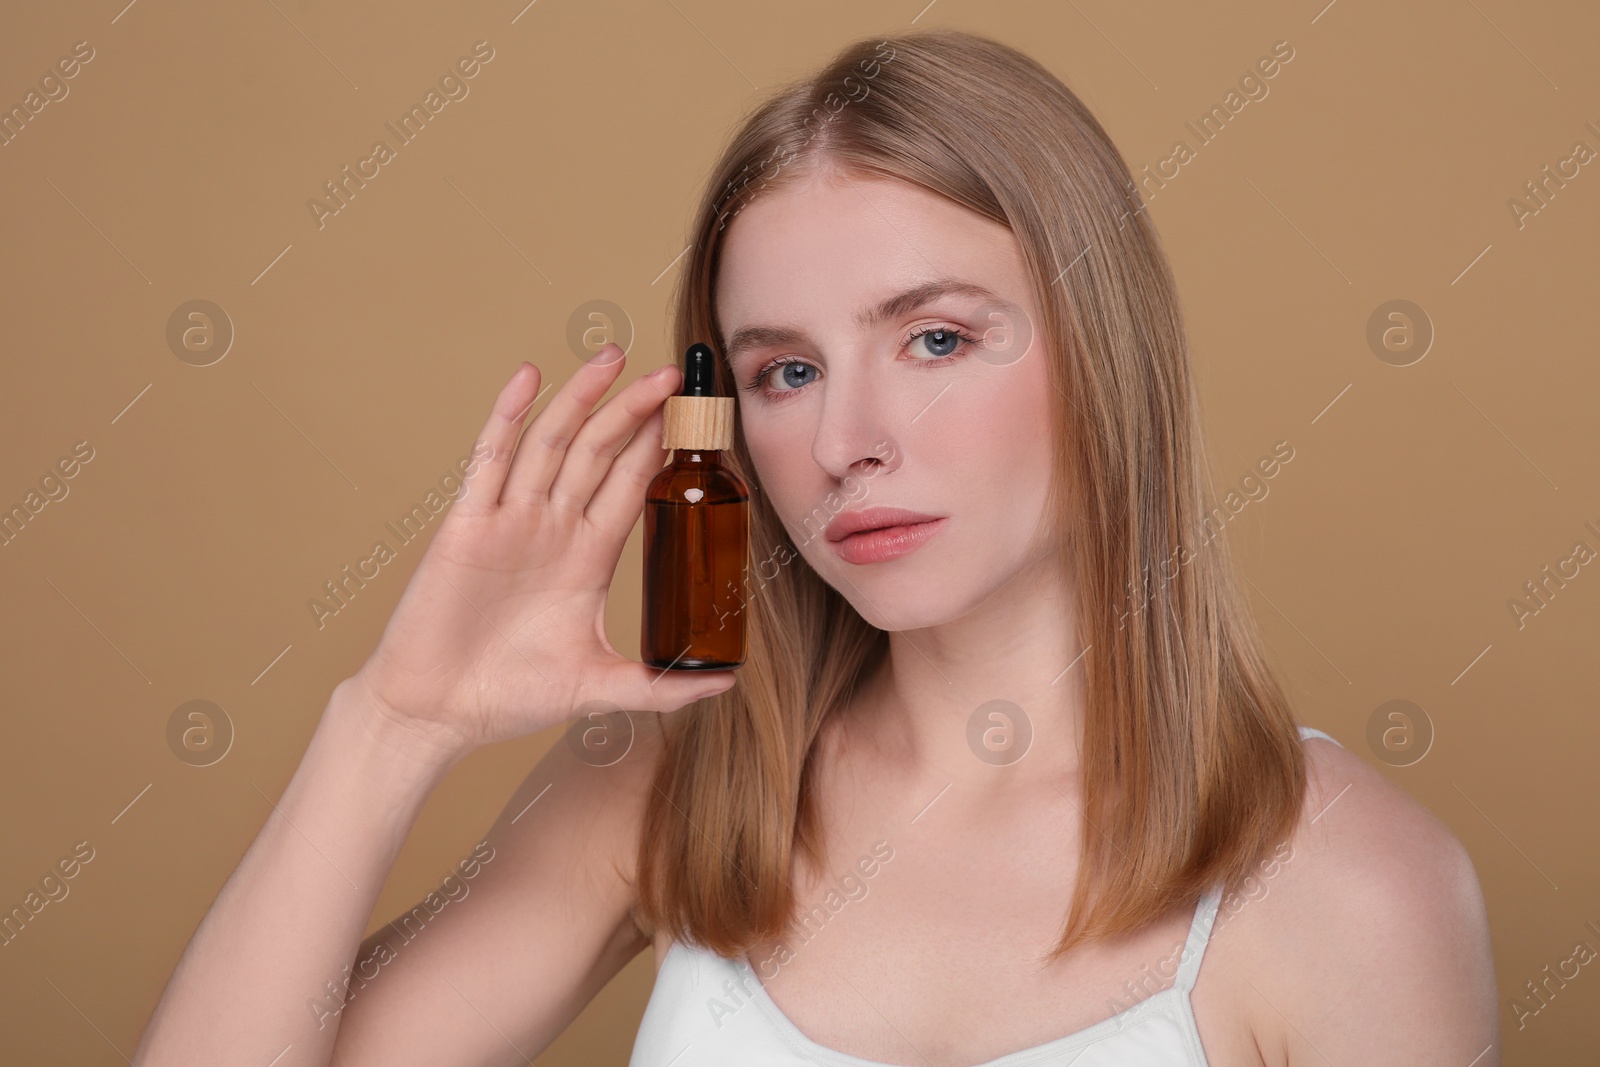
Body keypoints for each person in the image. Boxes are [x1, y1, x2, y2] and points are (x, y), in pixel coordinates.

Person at [134, 29, 1498, 1067]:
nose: (850, 437)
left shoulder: (1349, 883)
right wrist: (391, 724)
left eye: (938, 339)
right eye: (784, 373)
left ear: (1107, 357)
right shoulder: (679, 780)